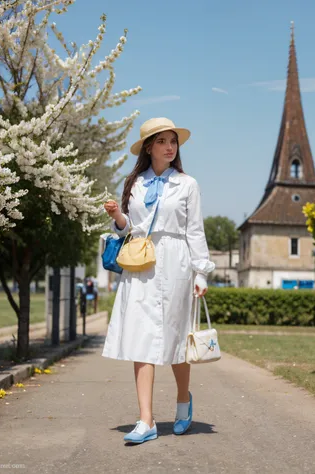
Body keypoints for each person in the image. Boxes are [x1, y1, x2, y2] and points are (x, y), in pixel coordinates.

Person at [101, 117, 215, 444]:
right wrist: (117, 217)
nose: (169, 146)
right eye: (162, 141)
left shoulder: (188, 184)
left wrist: (201, 272)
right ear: (149, 147)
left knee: (177, 337)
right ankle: (146, 420)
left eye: (173, 141)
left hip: (177, 261)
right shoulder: (134, 184)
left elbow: (195, 230)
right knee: (141, 337)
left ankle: (182, 402)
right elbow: (128, 229)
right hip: (141, 263)